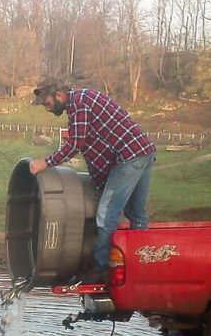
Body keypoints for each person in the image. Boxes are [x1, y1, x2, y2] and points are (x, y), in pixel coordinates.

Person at [29, 77, 156, 283]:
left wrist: (46, 162)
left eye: (47, 104)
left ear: (59, 95)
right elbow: (95, 150)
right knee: (136, 214)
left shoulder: (78, 104)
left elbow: (76, 144)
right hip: (143, 152)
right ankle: (139, 267)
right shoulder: (84, 100)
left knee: (106, 214)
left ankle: (102, 269)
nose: (47, 109)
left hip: (130, 157)